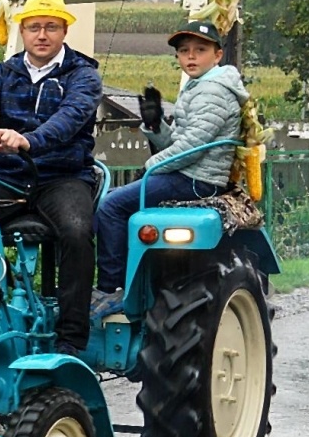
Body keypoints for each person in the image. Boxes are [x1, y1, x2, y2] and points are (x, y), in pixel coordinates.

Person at [0, 0, 102, 355]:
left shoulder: (83, 75)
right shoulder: (6, 71)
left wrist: (28, 140)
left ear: (63, 31)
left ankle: (71, 340)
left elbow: (70, 120)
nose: (41, 35)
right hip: (11, 177)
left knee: (77, 233)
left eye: (50, 27)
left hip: (63, 177)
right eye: (33, 27)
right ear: (23, 32)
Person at [90, 19, 246, 317]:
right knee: (114, 201)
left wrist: (150, 166)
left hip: (196, 179)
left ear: (217, 55)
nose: (190, 56)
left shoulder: (214, 90)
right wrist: (154, 124)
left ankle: (113, 289)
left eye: (200, 50)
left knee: (111, 206)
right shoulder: (199, 87)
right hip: (188, 173)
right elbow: (177, 141)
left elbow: (190, 147)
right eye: (184, 50)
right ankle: (128, 280)